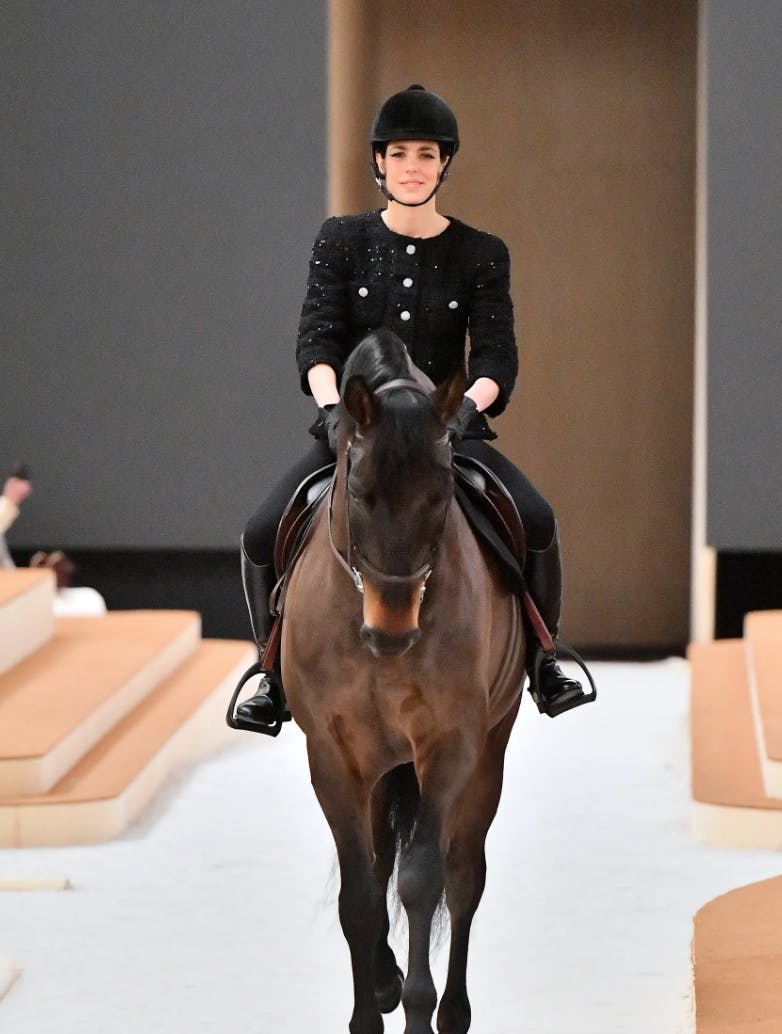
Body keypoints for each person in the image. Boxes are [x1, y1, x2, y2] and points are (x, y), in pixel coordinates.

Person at [234, 84, 592, 732]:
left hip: (443, 435)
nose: (412, 166)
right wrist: (337, 410)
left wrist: (459, 417)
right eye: (399, 154)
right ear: (379, 163)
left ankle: (544, 660)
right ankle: (271, 674)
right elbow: (316, 339)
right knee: (262, 533)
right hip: (357, 430)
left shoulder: (481, 251)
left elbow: (495, 357)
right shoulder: (341, 239)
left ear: (444, 164)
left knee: (536, 520)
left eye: (426, 154)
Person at [0, 470, 32, 569]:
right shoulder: (4, 506)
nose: (21, 497)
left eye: (23, 495)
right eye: (21, 493)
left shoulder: (9, 508)